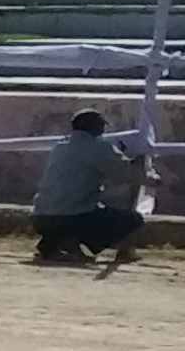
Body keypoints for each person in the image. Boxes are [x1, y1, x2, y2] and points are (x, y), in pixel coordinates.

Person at [31, 110, 147, 265]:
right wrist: (150, 177)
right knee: (132, 220)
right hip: (72, 219)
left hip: (39, 217)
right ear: (96, 128)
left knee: (77, 209)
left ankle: (54, 242)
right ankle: (71, 241)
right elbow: (125, 172)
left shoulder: (60, 147)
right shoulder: (99, 147)